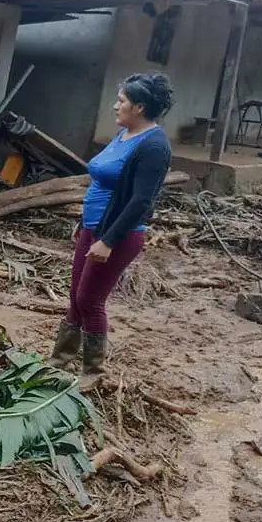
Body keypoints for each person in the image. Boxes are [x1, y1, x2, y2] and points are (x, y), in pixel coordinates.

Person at [51, 73, 174, 374]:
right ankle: (59, 361)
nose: (115, 106)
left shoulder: (154, 147)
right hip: (93, 227)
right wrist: (85, 223)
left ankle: (93, 371)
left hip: (118, 234)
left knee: (89, 300)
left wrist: (108, 241)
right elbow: (104, 184)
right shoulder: (125, 134)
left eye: (121, 101)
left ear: (139, 107)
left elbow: (141, 201)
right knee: (75, 297)